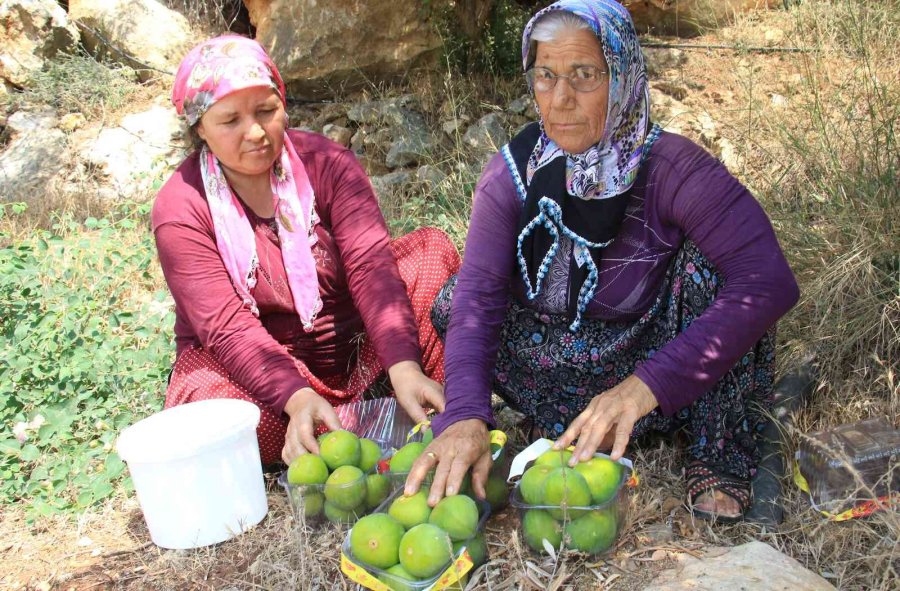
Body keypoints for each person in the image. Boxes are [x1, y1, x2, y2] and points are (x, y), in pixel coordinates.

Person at [405, 0, 799, 522]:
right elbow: (479, 298)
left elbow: (768, 280)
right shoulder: (512, 175)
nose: (561, 99)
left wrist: (644, 387)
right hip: (554, 370)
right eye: (546, 76)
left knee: (708, 272)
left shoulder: (673, 168)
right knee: (456, 303)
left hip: (651, 364)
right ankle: (571, 425)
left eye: (584, 75)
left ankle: (715, 448)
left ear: (623, 76)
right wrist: (467, 415)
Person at [152, 35, 460, 467]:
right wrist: (294, 396)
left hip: (363, 355)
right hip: (265, 382)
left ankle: (389, 397)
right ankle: (340, 421)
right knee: (202, 399)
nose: (256, 132)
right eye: (230, 121)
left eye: (266, 111)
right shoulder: (181, 208)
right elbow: (225, 327)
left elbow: (371, 267)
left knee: (431, 251)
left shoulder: (327, 164)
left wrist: (403, 363)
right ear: (199, 128)